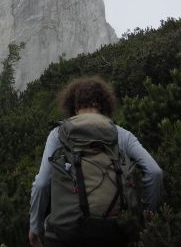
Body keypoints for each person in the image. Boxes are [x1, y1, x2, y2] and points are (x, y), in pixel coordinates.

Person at [29, 76, 163, 247]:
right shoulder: (121, 134)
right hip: (117, 230)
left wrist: (34, 228)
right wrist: (146, 216)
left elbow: (41, 183)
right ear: (101, 105)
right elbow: (154, 172)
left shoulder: (59, 133)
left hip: (68, 232)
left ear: (74, 107)